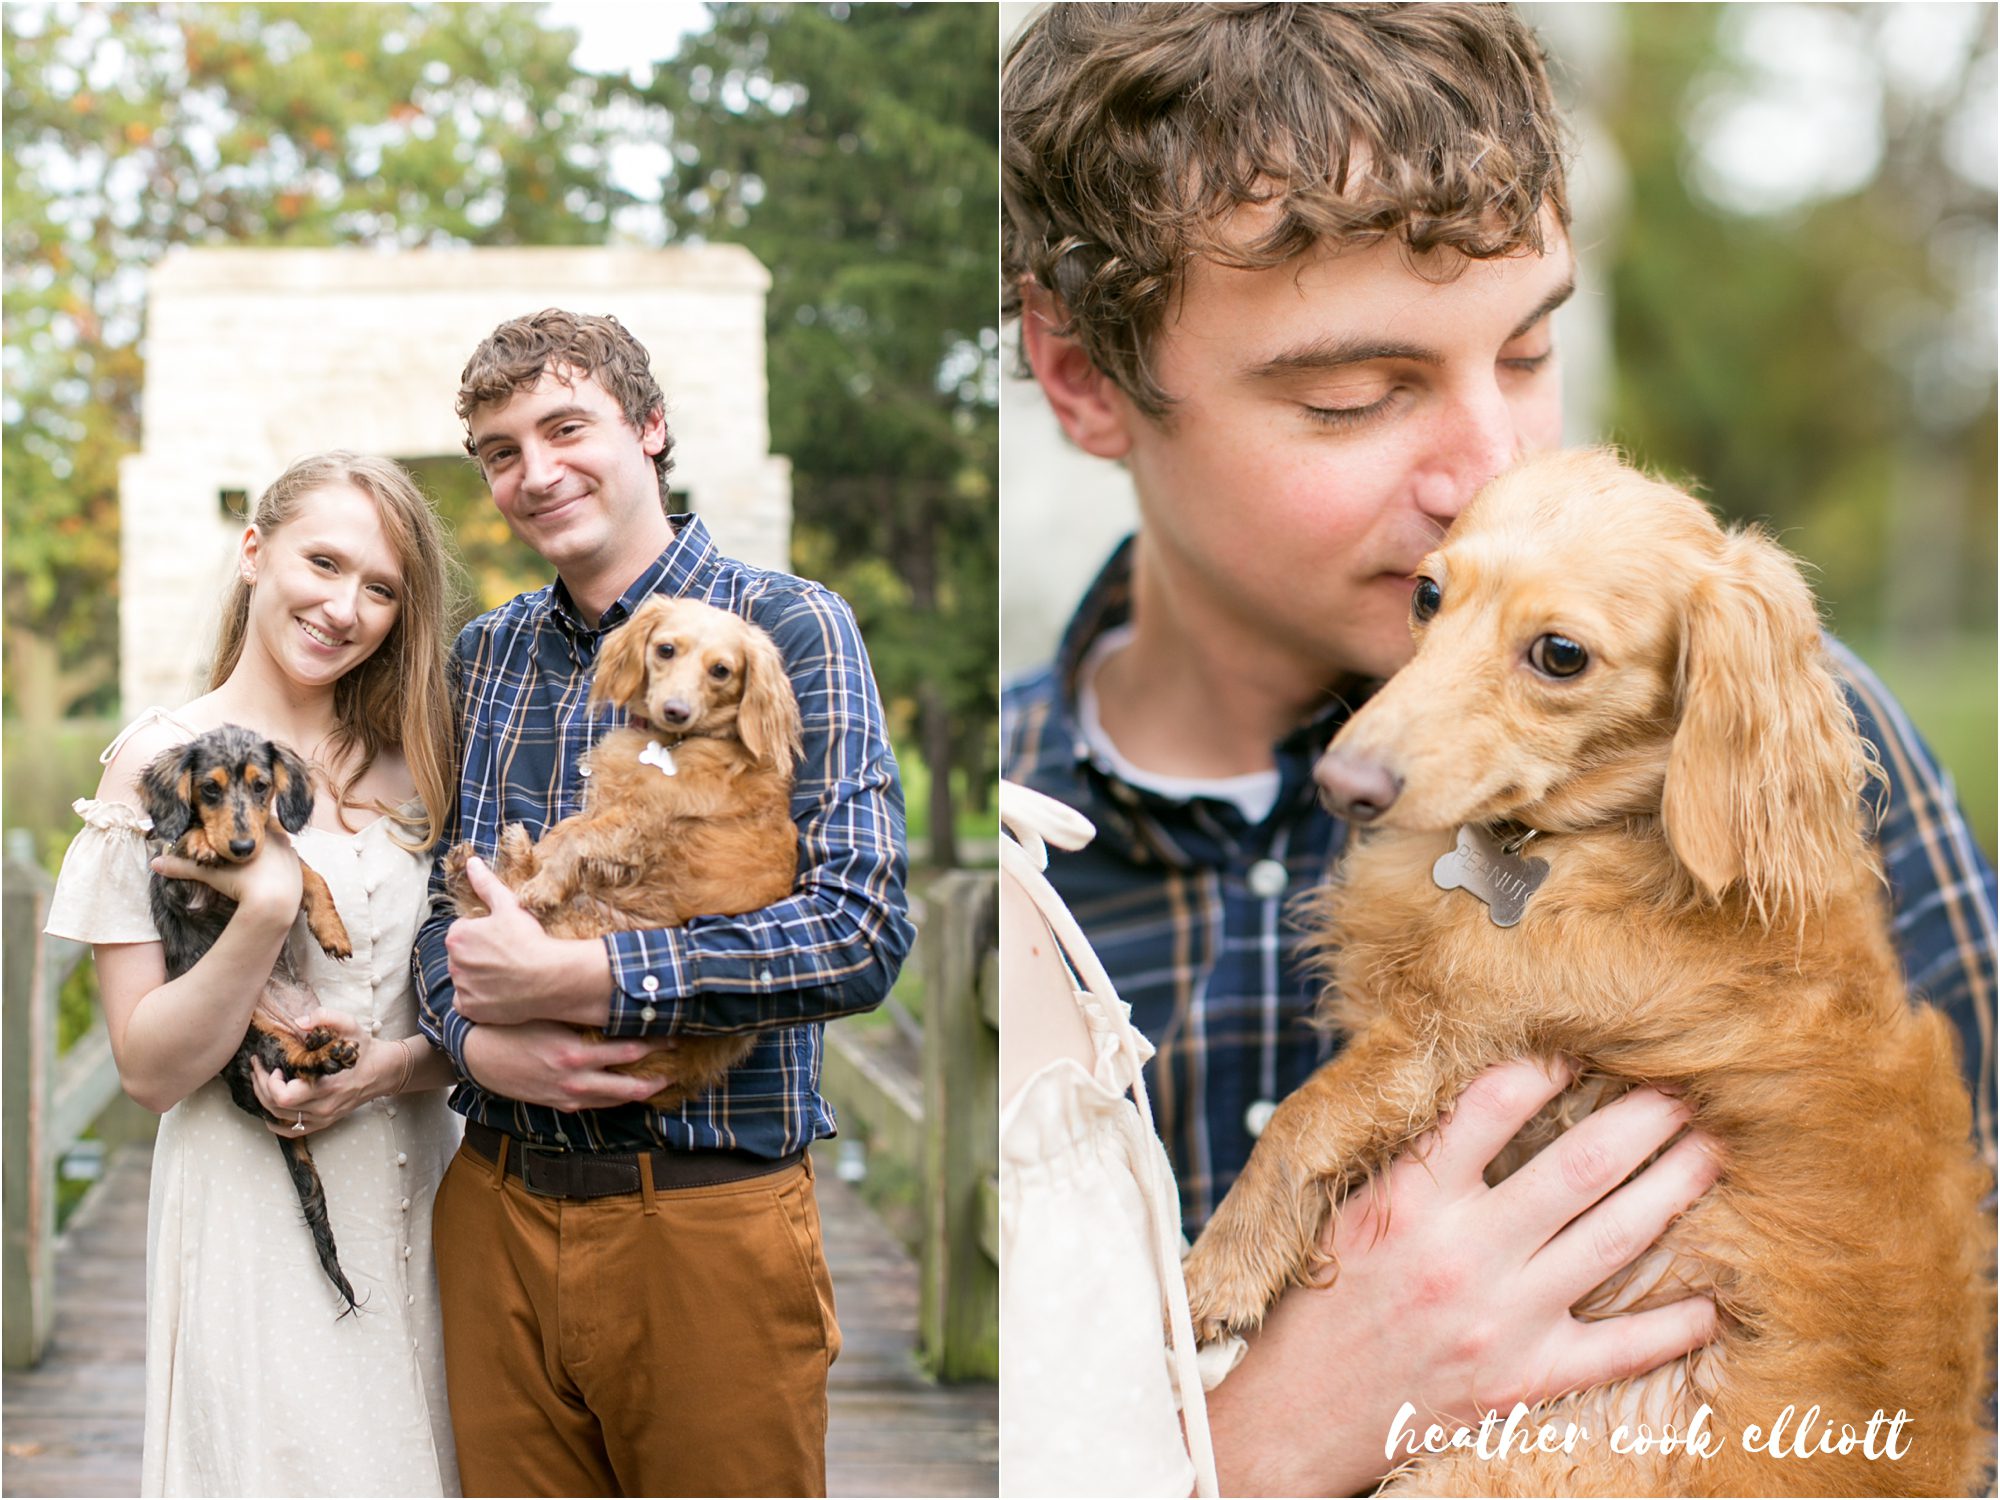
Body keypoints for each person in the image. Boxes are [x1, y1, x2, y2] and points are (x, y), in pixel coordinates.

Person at [999, 5, 1997, 1494]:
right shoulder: (991, 848)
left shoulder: (1754, 725)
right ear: (1082, 381)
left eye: (1528, 352)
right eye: (1357, 393)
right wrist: (1262, 1444)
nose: (1494, 472)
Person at [411, 308, 913, 1498]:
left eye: (565, 427)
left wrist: (592, 983)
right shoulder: (486, 657)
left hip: (698, 1207)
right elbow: (440, 909)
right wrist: (476, 1037)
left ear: (648, 430)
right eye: (499, 450)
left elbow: (858, 929)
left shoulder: (790, 625)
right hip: (495, 1204)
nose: (535, 472)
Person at [45, 452, 466, 1497]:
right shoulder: (160, 762)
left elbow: (460, 1013)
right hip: (247, 1203)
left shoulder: (422, 758)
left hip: (431, 1188)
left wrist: (384, 1071)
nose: (344, 607)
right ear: (252, 552)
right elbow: (146, 1069)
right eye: (323, 563)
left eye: (380, 588)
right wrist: (269, 907)